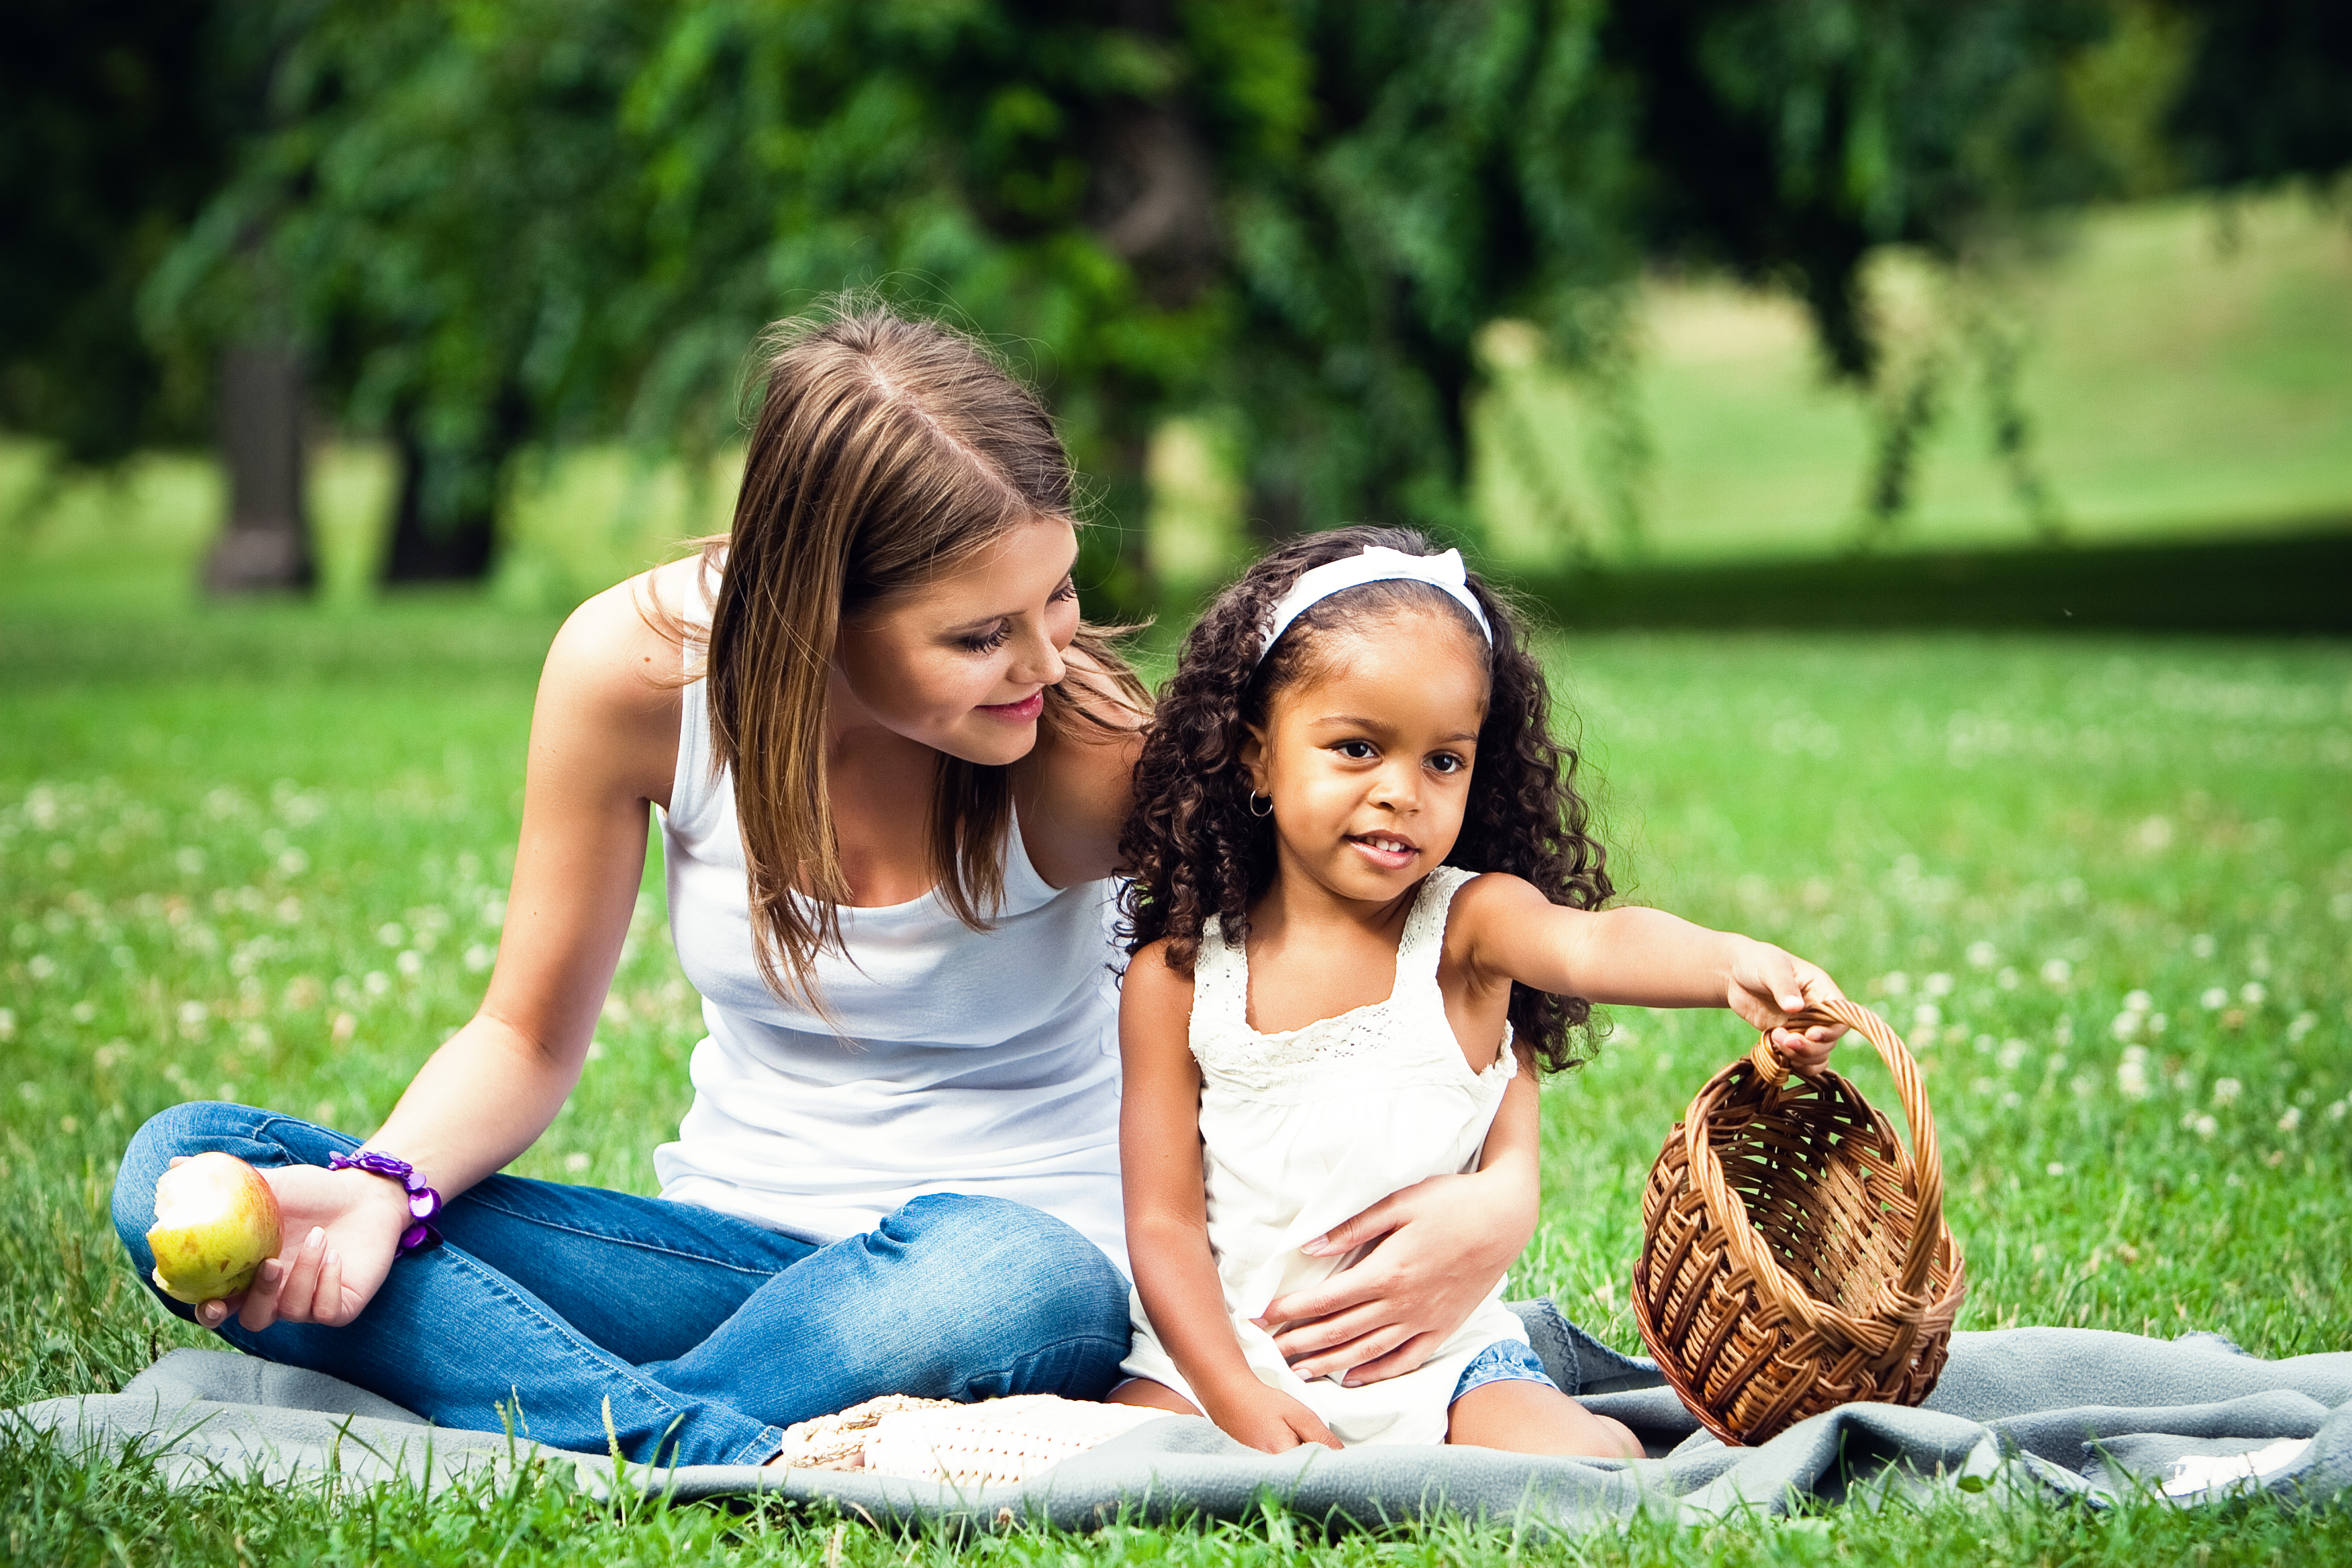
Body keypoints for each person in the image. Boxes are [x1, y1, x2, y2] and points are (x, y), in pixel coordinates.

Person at [109, 309, 1544, 1468]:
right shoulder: (633, 679)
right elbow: (525, 1038)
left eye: (1053, 597)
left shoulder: (1084, 751)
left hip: (1019, 1279)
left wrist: (1503, 1195)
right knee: (185, 1163)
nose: (1045, 661)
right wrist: (379, 1192)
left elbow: (1420, 924)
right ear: (813, 612)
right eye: (979, 634)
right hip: (732, 1260)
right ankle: (676, 1434)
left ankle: (562, 1407)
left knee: (1005, 1273)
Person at [1107, 526, 1852, 1455]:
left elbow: (1594, 944)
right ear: (1256, 755)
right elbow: (1163, 1222)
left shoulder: (1468, 928)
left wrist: (1730, 965)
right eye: (1355, 748)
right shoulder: (1178, 978)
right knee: (1103, 1466)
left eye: (1442, 761)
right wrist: (1229, 1394)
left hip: (1438, 1363)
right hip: (1217, 1359)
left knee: (1594, 1461)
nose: (1401, 792)